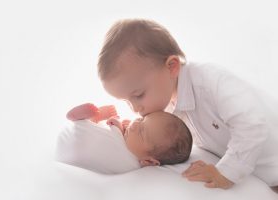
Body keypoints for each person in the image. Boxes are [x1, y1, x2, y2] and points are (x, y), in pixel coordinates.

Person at [96, 18, 278, 191]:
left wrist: (225, 172)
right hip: (267, 178)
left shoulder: (211, 82)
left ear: (172, 66)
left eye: (138, 95)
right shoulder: (168, 109)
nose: (136, 109)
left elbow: (252, 126)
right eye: (127, 102)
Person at [66, 103, 193, 166]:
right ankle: (89, 118)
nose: (135, 124)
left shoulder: (131, 162)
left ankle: (92, 118)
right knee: (96, 128)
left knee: (98, 128)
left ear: (149, 161)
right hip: (79, 140)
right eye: (141, 119)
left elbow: (115, 144)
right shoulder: (133, 145)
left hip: (79, 147)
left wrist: (117, 124)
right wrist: (122, 127)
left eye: (142, 132)